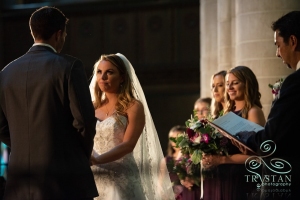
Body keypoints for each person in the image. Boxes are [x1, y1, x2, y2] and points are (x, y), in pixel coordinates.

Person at [0, 6, 98, 200]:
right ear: (59, 34)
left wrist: (23, 145)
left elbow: (2, 127)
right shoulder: (69, 67)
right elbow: (85, 122)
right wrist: (79, 155)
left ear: (32, 32)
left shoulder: (6, 73)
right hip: (63, 181)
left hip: (19, 184)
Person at [89, 53, 174, 200]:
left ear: (122, 77)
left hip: (121, 177)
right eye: (99, 72)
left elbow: (128, 145)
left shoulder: (133, 106)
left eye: (109, 72)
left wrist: (98, 159)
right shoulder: (91, 107)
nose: (103, 78)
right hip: (95, 176)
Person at [237, 11, 300, 200]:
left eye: (278, 45)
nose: (277, 53)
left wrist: (240, 135)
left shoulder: (295, 83)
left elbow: (270, 141)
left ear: (293, 41)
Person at [202, 66, 266, 200]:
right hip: (223, 179)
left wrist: (221, 159)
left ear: (247, 84)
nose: (230, 87)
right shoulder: (226, 114)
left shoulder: (252, 111)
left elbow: (258, 157)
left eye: (235, 83)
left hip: (241, 180)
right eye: (227, 83)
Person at [202, 70, 227, 200]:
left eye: (220, 85)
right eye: (213, 86)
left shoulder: (233, 115)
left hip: (230, 174)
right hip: (214, 177)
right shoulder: (214, 118)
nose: (215, 89)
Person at [165, 125, 185, 200]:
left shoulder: (190, 158)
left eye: (178, 138)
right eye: (172, 139)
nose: (175, 142)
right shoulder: (166, 161)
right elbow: (160, 183)